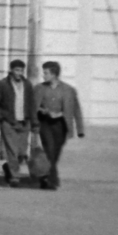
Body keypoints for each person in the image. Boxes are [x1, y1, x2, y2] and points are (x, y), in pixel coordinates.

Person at [34, 61, 85, 190]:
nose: (43, 75)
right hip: (45, 124)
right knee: (49, 151)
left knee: (55, 154)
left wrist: (80, 129)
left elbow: (76, 109)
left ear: (54, 74)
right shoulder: (39, 88)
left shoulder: (69, 90)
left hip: (61, 126)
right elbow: (32, 107)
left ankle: (45, 177)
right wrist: (42, 111)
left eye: (45, 73)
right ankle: (53, 181)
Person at [0, 59, 36, 187]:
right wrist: (2, 119)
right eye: (16, 70)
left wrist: (33, 122)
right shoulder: (2, 84)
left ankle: (7, 167)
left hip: (24, 123)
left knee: (22, 152)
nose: (19, 73)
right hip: (9, 123)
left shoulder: (27, 85)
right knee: (12, 151)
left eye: (21, 70)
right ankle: (15, 177)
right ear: (11, 70)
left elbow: (32, 105)